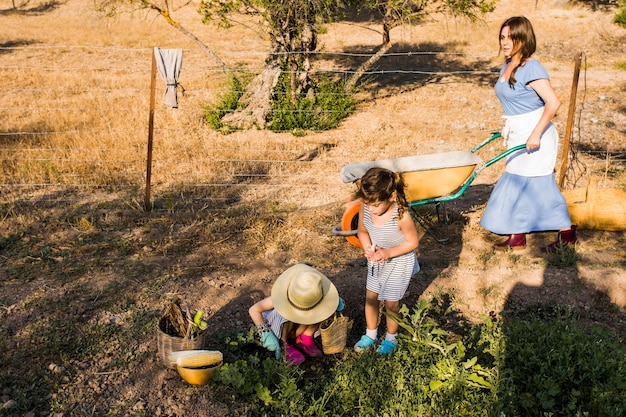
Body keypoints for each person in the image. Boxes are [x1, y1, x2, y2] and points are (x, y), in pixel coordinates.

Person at [480, 16, 577, 253]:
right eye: (502, 37)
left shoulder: (531, 67)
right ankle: (517, 235)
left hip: (537, 135)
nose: (505, 41)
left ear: (524, 39)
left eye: (511, 37)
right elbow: (515, 103)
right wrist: (507, 127)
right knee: (517, 180)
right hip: (518, 132)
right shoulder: (508, 64)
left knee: (538, 183)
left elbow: (553, 102)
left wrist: (535, 134)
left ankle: (567, 233)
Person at [353, 167, 420, 355]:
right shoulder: (365, 208)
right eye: (368, 204)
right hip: (377, 258)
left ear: (391, 196)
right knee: (371, 296)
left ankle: (391, 339)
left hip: (399, 259)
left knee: (391, 302)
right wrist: (367, 246)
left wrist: (388, 253)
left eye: (375, 205)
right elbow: (362, 231)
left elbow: (412, 242)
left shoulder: (401, 215)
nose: (371, 209)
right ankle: (371, 334)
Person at [249, 263, 342, 365]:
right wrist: (265, 332)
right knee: (284, 312)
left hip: (299, 326)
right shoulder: (282, 297)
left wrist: (332, 302)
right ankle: (284, 344)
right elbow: (254, 310)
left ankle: (305, 338)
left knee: (323, 309)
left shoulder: (315, 292)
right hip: (280, 327)